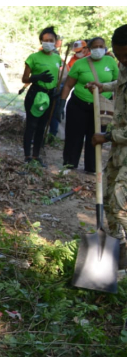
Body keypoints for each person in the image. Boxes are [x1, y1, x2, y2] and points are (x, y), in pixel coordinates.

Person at [60, 35, 119, 173]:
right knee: (74, 136)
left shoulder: (110, 62)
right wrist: (62, 103)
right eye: (95, 47)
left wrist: (115, 104)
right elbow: (68, 85)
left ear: (105, 48)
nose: (98, 49)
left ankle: (92, 168)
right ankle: (69, 165)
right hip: (78, 105)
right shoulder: (80, 64)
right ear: (89, 49)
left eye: (101, 47)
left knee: (96, 136)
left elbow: (117, 84)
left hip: (101, 108)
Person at [91, 24, 126, 234]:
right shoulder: (125, 66)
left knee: (121, 205)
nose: (122, 60)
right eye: (118, 55)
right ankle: (117, 247)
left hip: (123, 140)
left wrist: (107, 136)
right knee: (107, 195)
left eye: (125, 55)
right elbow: (122, 83)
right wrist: (103, 87)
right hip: (120, 148)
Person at [21, 27, 63, 166]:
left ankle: (36, 155)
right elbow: (25, 78)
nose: (48, 43)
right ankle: (27, 156)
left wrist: (57, 90)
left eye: (51, 40)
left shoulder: (57, 58)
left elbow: (58, 77)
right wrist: (37, 77)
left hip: (50, 95)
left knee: (42, 126)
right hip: (35, 94)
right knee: (31, 125)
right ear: (41, 41)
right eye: (45, 40)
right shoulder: (33, 57)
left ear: (56, 42)